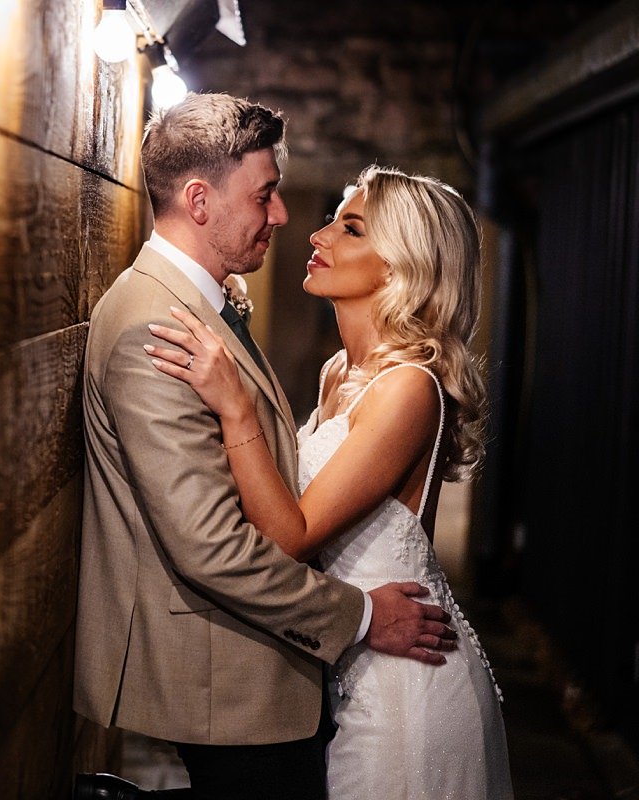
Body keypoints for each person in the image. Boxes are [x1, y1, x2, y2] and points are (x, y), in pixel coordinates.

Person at [73, 93, 457, 800]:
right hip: (228, 672)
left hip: (287, 661)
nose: (286, 219)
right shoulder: (152, 328)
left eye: (348, 225)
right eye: (267, 194)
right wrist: (363, 615)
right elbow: (213, 546)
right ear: (198, 200)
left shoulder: (205, 307)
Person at [147, 165, 513, 798]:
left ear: (403, 265)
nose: (317, 235)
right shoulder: (339, 372)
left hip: (407, 688)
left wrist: (234, 404)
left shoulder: (408, 390)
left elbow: (294, 533)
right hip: (347, 667)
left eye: (349, 227)